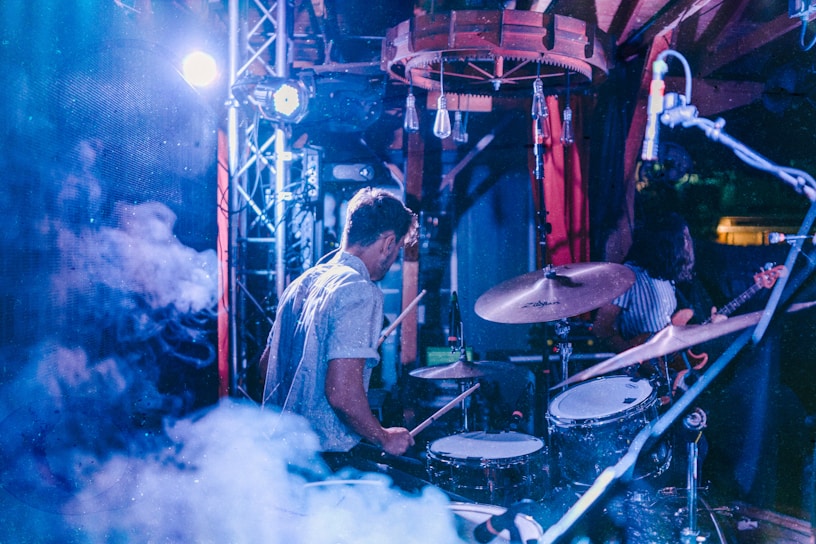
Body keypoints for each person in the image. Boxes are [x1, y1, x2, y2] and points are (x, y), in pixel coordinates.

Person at [259, 187, 419, 469]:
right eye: (396, 251)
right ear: (388, 242)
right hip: (325, 463)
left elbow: (265, 366)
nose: (393, 260)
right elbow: (342, 394)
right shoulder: (358, 289)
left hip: (280, 456)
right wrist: (383, 437)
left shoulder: (302, 283)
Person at [592, 212, 718, 354]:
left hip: (665, 364)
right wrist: (633, 358)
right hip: (639, 369)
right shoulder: (627, 276)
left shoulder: (666, 278)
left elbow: (665, 328)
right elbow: (601, 328)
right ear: (667, 244)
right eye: (683, 238)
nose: (688, 245)